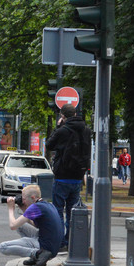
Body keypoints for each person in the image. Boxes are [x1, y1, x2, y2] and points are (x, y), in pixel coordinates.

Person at [45, 103, 90, 251]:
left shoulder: (63, 130)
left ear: (62, 116)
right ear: (75, 113)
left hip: (62, 176)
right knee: (73, 211)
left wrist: (58, 127)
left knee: (58, 209)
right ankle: (71, 240)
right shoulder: (86, 130)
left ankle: (59, 241)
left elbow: (49, 145)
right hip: (78, 176)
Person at [0, 184, 64, 266]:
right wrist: (25, 211)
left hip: (45, 247)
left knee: (3, 247)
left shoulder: (35, 207)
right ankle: (36, 257)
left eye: (24, 199)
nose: (23, 201)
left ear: (33, 197)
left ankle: (37, 254)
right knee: (21, 225)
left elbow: (13, 226)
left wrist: (11, 209)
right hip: (52, 246)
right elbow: (36, 225)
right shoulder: (47, 205)